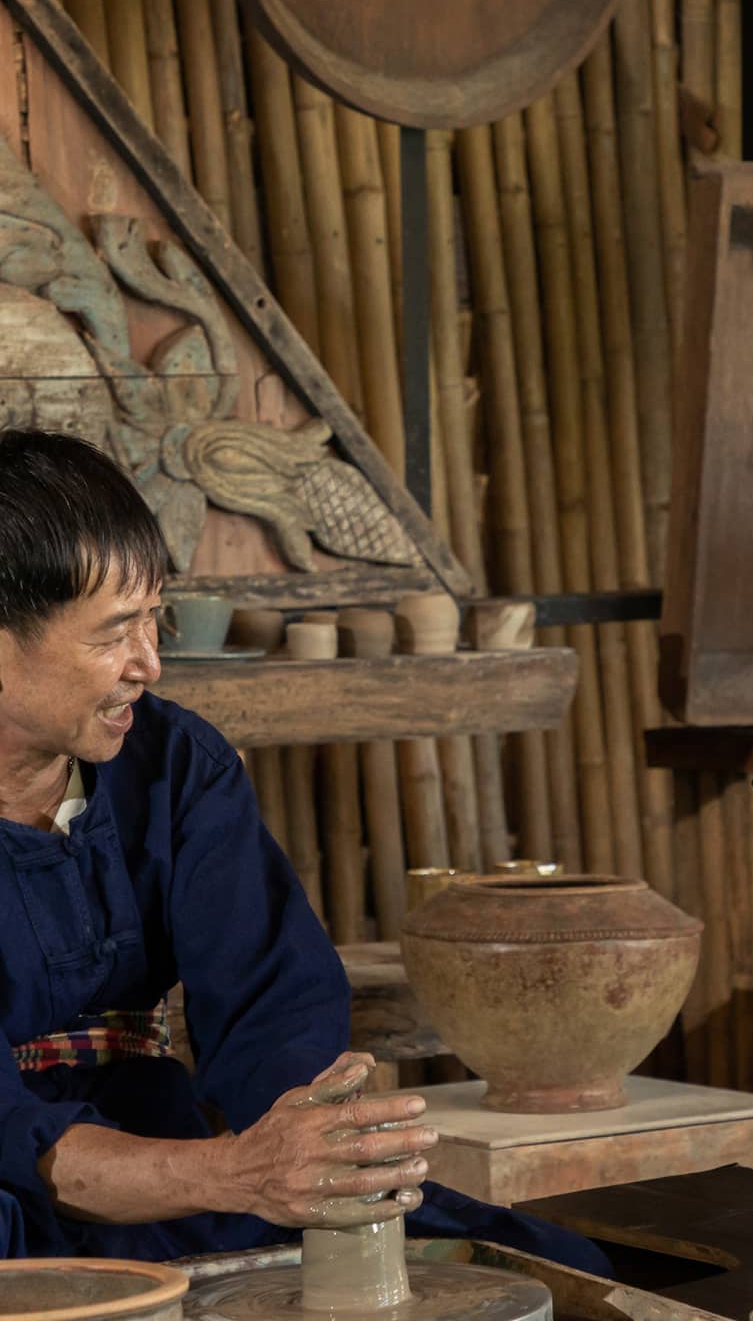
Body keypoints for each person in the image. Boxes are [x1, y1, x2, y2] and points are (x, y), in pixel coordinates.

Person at [0, 427, 601, 1272]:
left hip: (176, 1176)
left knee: (543, 1267)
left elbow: (270, 1001)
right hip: (19, 1201)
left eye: (155, 618)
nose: (152, 663)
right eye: (114, 633)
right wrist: (236, 1171)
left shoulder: (173, 764)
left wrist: (311, 1143)